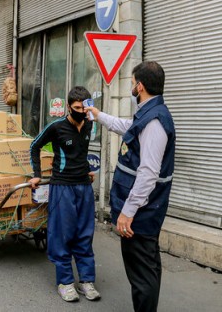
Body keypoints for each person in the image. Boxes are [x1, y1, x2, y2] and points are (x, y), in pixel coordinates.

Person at [85, 61, 176, 312]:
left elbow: (148, 173)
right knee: (146, 268)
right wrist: (99, 115)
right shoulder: (149, 112)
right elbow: (129, 128)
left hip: (142, 213)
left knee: (142, 275)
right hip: (145, 211)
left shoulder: (156, 121)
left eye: (132, 82)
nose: (131, 87)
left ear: (140, 86)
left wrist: (128, 211)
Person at [29, 86, 101, 303]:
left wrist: (85, 170)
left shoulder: (90, 125)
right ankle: (65, 282)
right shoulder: (56, 127)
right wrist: (36, 175)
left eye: (85, 107)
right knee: (62, 234)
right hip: (62, 188)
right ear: (69, 107)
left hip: (83, 186)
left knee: (85, 234)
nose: (82, 111)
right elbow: (34, 146)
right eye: (77, 107)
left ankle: (86, 281)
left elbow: (81, 152)